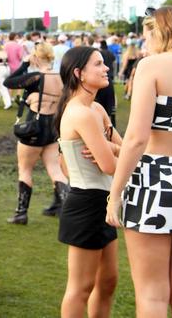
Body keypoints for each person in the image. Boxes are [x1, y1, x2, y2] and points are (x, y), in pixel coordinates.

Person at [106, 6, 172, 318]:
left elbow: (135, 138)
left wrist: (115, 193)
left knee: (151, 292)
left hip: (154, 178)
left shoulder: (152, 66)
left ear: (160, 31)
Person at [55, 46, 121, 317]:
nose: (106, 68)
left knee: (108, 282)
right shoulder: (79, 112)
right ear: (79, 73)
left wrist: (111, 147)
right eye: (98, 64)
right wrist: (114, 152)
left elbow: (125, 149)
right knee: (81, 287)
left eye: (104, 63)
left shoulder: (97, 108)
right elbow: (111, 166)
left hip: (103, 202)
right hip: (86, 204)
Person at [4, 42, 70, 223]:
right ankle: (65, 208)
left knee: (25, 169)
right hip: (53, 127)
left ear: (36, 56)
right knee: (55, 169)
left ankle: (21, 213)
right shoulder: (61, 77)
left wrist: (24, 64)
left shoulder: (36, 77)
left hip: (35, 125)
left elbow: (8, 82)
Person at [95, 40, 118, 127]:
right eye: (98, 64)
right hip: (108, 77)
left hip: (104, 78)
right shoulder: (109, 53)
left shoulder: (100, 53)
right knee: (109, 104)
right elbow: (114, 60)